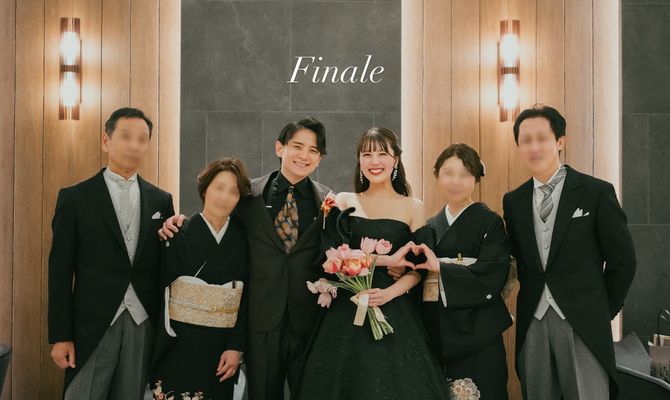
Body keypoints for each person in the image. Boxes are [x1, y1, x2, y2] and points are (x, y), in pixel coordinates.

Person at [159, 117, 331, 399]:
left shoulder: (328, 202)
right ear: (280, 148)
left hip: (308, 319)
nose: (304, 155)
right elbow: (216, 220)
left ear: (319, 158)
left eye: (313, 150)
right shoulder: (248, 195)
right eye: (297, 146)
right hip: (260, 318)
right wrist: (178, 222)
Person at [296, 127, 450, 400]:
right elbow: (332, 255)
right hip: (346, 308)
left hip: (394, 307)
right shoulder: (343, 200)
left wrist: (389, 293)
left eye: (382, 154)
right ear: (359, 161)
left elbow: (418, 268)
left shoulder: (413, 206)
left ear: (395, 160)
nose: (374, 161)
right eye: (367, 155)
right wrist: (388, 259)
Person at [502, 104, 636, 399]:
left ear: (560, 141)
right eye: (526, 140)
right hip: (533, 321)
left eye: (542, 138)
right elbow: (521, 261)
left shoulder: (595, 191)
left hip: (584, 323)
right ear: (519, 146)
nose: (534, 147)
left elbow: (623, 261)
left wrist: (600, 311)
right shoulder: (513, 201)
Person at [48, 108, 175, 399]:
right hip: (91, 326)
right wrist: (60, 335)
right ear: (106, 141)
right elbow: (60, 271)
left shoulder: (161, 200)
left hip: (142, 322)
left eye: (142, 139)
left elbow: (165, 266)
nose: (134, 145)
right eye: (126, 136)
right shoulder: (75, 198)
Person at [409, 143, 512, 399]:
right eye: (448, 173)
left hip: (479, 334)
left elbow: (493, 273)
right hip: (437, 334)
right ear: (437, 175)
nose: (456, 181)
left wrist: (441, 267)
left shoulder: (490, 222)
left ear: (476, 178)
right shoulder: (430, 226)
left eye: (465, 174)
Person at [150, 158, 251, 399]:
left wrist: (235, 346)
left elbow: (248, 297)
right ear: (205, 189)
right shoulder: (176, 233)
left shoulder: (244, 240)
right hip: (177, 344)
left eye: (233, 191)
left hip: (221, 348)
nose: (224, 197)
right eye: (219, 187)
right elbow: (159, 292)